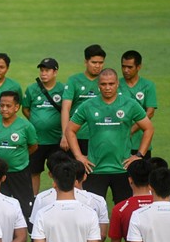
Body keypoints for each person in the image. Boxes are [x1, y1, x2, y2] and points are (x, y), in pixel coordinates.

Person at [66, 68, 154, 204]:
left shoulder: (129, 104)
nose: (107, 88)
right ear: (98, 85)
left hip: (122, 169)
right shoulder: (88, 105)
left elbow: (149, 128)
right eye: (104, 84)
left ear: (117, 84)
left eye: (111, 84)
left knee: (125, 209)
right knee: (92, 211)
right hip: (95, 169)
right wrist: (78, 156)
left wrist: (139, 155)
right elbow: (70, 130)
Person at [0, 90, 38, 226]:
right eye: (2, 105)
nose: (4, 109)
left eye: (8, 106)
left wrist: (19, 158)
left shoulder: (26, 126)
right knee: (0, 208)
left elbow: (33, 146)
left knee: (26, 207)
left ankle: (33, 240)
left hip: (20, 172)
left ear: (17, 107)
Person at [22, 58, 64, 195]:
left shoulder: (63, 90)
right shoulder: (32, 89)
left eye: (47, 70)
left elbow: (67, 111)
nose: (43, 73)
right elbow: (26, 109)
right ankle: (33, 199)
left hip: (56, 140)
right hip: (37, 141)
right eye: (42, 70)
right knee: (34, 171)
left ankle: (57, 197)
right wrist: (36, 122)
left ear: (55, 72)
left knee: (58, 171)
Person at [61, 44, 106, 155]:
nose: (97, 66)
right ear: (86, 62)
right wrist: (64, 134)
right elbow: (66, 108)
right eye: (94, 62)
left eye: (100, 63)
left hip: (100, 135)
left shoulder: (106, 81)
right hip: (76, 135)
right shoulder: (74, 80)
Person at [119, 50, 158, 158]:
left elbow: (150, 113)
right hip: (119, 143)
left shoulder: (148, 86)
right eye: (123, 66)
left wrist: (131, 130)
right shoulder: (115, 85)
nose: (126, 70)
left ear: (138, 67)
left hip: (141, 142)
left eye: (130, 67)